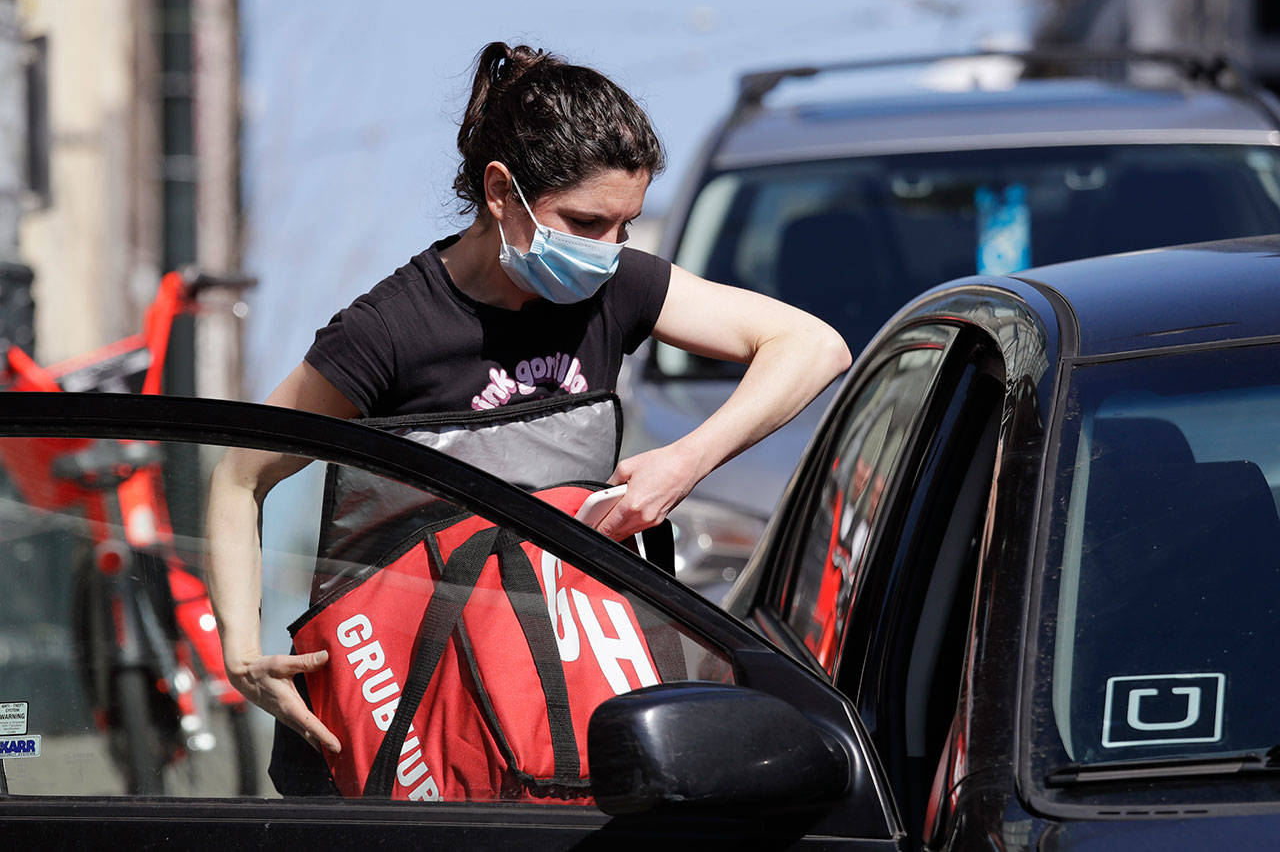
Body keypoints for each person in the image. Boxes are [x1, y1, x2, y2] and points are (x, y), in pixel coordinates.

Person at [205, 42, 851, 793]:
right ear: (502, 192)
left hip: (555, 710)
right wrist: (240, 649)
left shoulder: (618, 287)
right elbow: (238, 475)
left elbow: (813, 346)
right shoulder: (388, 331)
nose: (610, 250)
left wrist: (685, 461)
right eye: (585, 222)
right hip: (410, 733)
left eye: (626, 225)